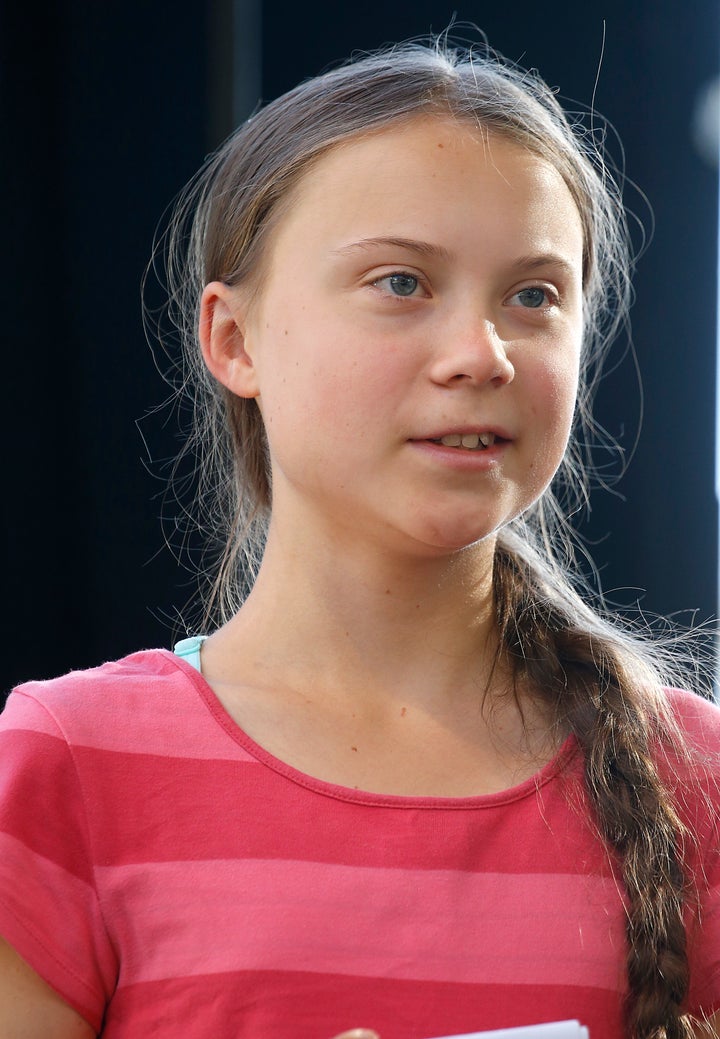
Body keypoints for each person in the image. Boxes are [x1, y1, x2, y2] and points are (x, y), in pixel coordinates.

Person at [0, 33, 718, 1039]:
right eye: (401, 284)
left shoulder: (693, 776)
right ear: (234, 340)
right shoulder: (63, 767)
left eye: (535, 295)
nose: (482, 353)